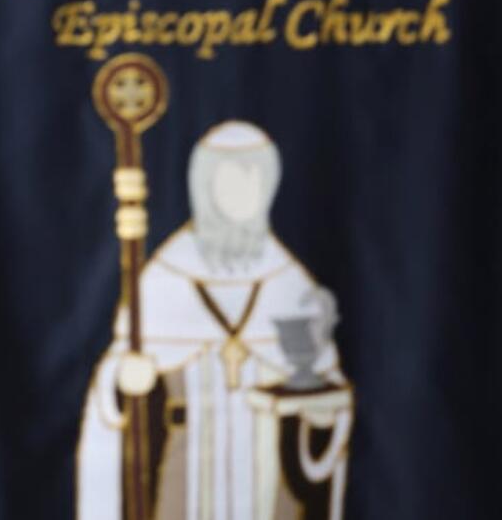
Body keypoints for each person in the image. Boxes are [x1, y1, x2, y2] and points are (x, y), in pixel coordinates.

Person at [77, 121, 352, 520]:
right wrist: (123, 380)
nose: (244, 196)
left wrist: (322, 417)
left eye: (254, 182)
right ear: (205, 188)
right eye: (230, 183)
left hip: (269, 473)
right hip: (186, 468)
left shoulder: (289, 280)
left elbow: (325, 385)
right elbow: (117, 382)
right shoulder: (163, 278)